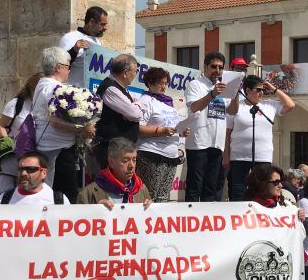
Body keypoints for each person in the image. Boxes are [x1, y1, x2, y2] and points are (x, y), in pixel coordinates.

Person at [33, 47, 94, 203]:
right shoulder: (54, 88)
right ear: (58, 67)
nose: (69, 70)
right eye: (68, 66)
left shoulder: (41, 85)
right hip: (58, 151)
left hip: (48, 147)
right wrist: (83, 128)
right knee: (65, 198)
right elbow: (55, 122)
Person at [223, 75, 295, 201]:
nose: (261, 93)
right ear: (248, 91)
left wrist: (274, 89)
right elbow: (228, 132)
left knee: (263, 189)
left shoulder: (269, 105)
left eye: (263, 90)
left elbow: (290, 105)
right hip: (239, 156)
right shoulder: (236, 106)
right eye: (258, 90)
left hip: (263, 156)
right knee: (238, 190)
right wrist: (226, 155)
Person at [184, 52, 239, 202]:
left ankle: (206, 222)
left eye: (220, 67)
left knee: (211, 187)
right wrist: (213, 94)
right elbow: (194, 107)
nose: (217, 70)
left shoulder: (223, 86)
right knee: (195, 186)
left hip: (217, 143)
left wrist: (235, 94)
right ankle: (192, 220)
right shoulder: (196, 84)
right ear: (205, 67)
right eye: (214, 66)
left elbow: (232, 111)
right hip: (199, 143)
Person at [135, 67, 190, 202]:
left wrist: (181, 132)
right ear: (150, 83)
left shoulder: (168, 102)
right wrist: (161, 131)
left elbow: (172, 127)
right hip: (152, 154)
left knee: (163, 198)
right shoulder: (145, 100)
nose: (164, 86)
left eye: (165, 83)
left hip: (170, 155)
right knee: (149, 198)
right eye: (160, 83)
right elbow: (137, 129)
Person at [94, 54, 146, 168]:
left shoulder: (120, 89)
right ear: (125, 72)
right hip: (114, 149)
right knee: (112, 184)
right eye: (135, 71)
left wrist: (136, 105)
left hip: (122, 148)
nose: (136, 74)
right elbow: (136, 114)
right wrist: (138, 104)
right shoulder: (111, 89)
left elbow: (136, 109)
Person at [78, 137, 151, 209]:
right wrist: (95, 210)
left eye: (134, 160)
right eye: (125, 161)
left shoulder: (141, 189)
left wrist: (151, 208)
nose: (131, 166)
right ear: (111, 162)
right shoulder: (88, 193)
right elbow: (79, 218)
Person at [59, 6, 108, 88]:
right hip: (74, 92)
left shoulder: (97, 42)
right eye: (102, 24)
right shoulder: (70, 38)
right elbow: (59, 64)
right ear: (92, 22)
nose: (105, 28)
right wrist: (74, 50)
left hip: (92, 92)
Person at [0, 151, 69, 204]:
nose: (23, 173)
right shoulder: (4, 199)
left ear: (43, 173)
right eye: (21, 169)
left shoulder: (58, 201)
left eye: (31, 169)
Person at [0, 72, 44, 137]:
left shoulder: (48, 105)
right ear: (31, 88)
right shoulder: (15, 104)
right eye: (40, 90)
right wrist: (8, 145)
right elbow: (1, 126)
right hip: (15, 145)